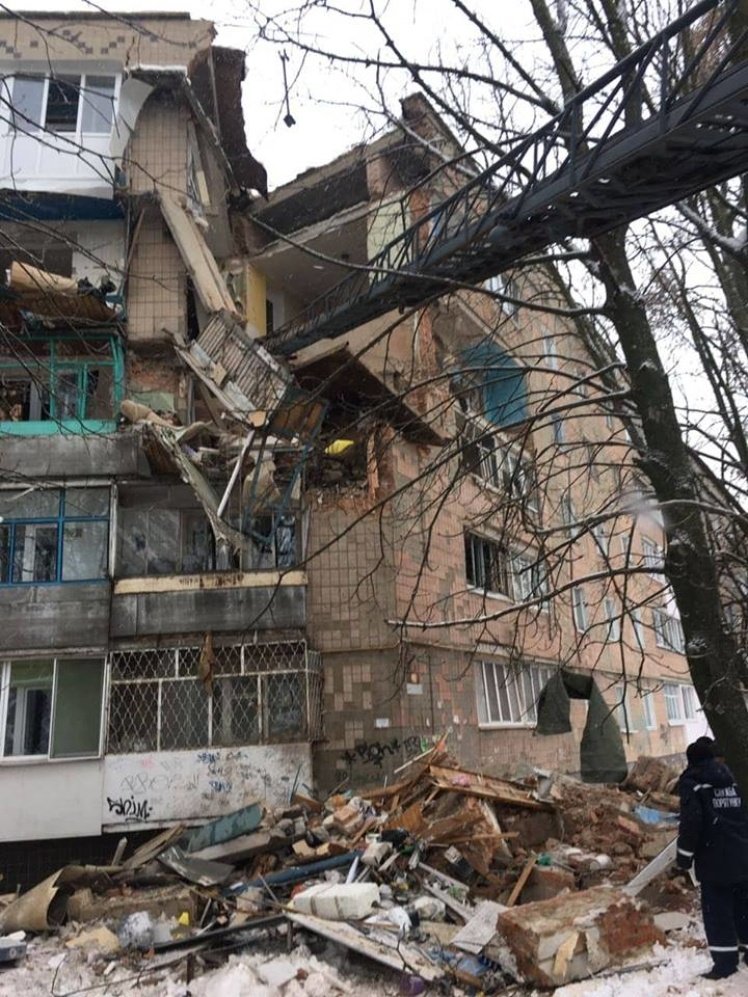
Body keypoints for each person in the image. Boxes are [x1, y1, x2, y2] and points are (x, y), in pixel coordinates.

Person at [676, 736, 748, 979]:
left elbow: (692, 821)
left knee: (717, 912)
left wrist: (684, 857)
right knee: (743, 906)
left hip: (714, 859)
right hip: (743, 854)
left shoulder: (693, 781)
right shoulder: (735, 776)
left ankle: (725, 964)